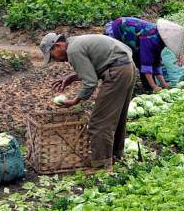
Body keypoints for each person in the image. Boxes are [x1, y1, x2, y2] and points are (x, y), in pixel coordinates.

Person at [42, 32, 137, 171]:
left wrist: (76, 100)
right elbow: (97, 63)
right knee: (117, 118)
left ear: (57, 45)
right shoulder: (75, 42)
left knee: (99, 121)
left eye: (52, 56)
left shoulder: (73, 51)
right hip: (128, 67)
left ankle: (101, 165)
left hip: (118, 72)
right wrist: (73, 77)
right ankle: (116, 155)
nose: (55, 60)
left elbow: (90, 82)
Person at [103, 17, 184, 92]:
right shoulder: (150, 38)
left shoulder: (159, 40)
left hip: (134, 38)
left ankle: (149, 86)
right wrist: (154, 86)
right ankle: (117, 87)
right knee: (125, 61)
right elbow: (146, 63)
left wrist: (164, 84)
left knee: (148, 60)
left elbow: (156, 62)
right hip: (118, 31)